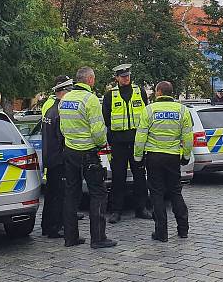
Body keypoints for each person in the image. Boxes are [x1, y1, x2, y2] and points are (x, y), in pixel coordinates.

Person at [60, 66, 116, 249]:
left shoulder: (65, 98)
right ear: (90, 80)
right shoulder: (90, 99)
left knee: (71, 194)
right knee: (98, 194)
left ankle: (71, 237)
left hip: (69, 151)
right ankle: (98, 238)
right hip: (88, 154)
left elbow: (63, 128)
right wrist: (101, 144)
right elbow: (98, 130)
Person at [134, 81, 193, 242]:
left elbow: (140, 137)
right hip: (173, 156)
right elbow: (188, 137)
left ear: (159, 92)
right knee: (175, 192)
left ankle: (161, 233)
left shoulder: (149, 110)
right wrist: (186, 156)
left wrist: (138, 157)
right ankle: (183, 230)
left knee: (157, 194)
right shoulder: (182, 110)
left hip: (154, 157)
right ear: (171, 93)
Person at [102, 64, 151, 224]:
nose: (126, 78)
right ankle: (116, 211)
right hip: (118, 142)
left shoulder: (140, 92)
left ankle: (141, 208)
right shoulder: (110, 95)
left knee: (139, 177)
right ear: (117, 78)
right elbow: (106, 119)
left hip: (137, 141)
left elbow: (146, 115)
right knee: (118, 178)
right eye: (123, 77)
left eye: (128, 76)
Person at [39, 75, 74, 239]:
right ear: (64, 91)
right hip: (59, 159)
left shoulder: (50, 109)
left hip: (50, 157)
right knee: (59, 195)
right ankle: (55, 227)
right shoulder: (60, 111)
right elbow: (63, 138)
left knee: (51, 194)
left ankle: (47, 225)